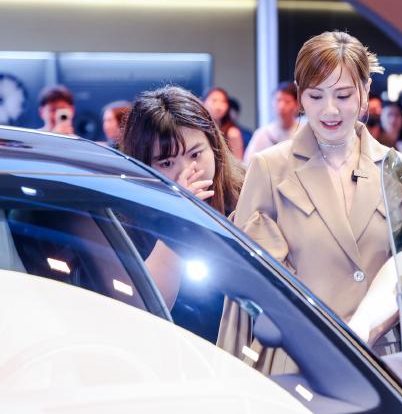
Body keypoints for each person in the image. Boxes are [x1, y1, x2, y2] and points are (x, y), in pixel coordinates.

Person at [222, 31, 402, 373]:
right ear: (300, 96)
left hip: (381, 363)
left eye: (343, 94)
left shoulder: (397, 168)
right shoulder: (269, 168)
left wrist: (398, 317)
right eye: (316, 95)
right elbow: (249, 283)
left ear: (365, 91)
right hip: (299, 361)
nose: (330, 109)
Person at [121, 85, 245, 342]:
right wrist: (178, 221)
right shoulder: (126, 220)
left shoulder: (246, 195)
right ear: (143, 166)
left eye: (195, 154)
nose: (188, 172)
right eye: (167, 163)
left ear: (214, 146)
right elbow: (144, 313)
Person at [243, 81, 300, 164]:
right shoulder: (262, 134)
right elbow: (248, 163)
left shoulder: (303, 131)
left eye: (287, 101)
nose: (281, 106)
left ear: (297, 104)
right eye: (278, 100)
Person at [203, 87, 248, 161]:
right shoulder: (198, 129)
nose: (218, 106)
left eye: (223, 102)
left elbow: (238, 162)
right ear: (204, 102)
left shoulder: (232, 132)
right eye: (214, 100)